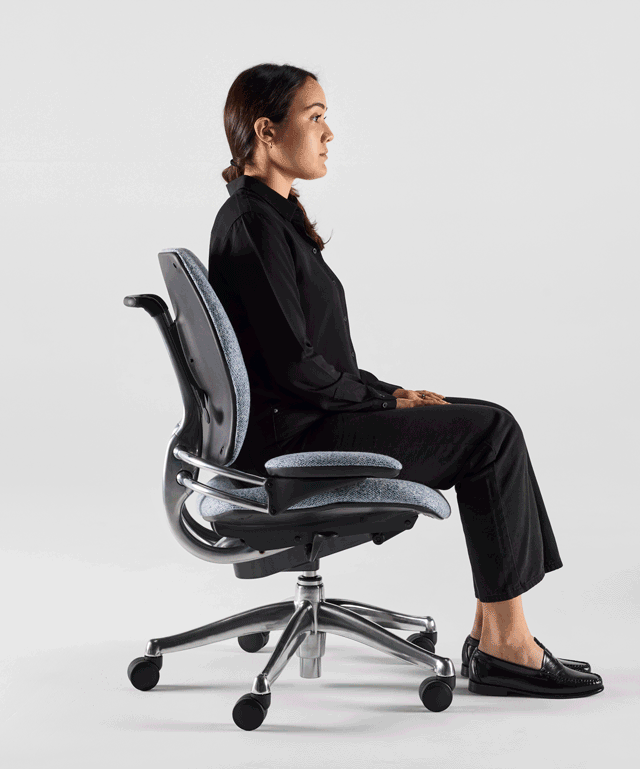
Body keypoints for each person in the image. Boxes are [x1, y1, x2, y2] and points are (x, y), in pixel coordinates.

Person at [208, 63, 603, 699]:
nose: (329, 132)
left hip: (304, 419)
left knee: (479, 416)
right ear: (267, 130)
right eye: (314, 117)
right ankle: (507, 646)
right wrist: (377, 397)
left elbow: (306, 358)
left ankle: (493, 630)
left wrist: (388, 393)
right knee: (491, 431)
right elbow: (295, 368)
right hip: (299, 438)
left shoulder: (267, 219)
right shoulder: (253, 226)